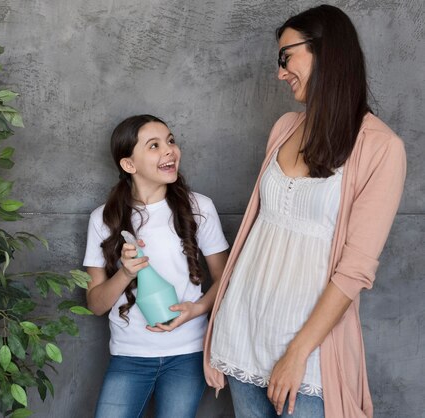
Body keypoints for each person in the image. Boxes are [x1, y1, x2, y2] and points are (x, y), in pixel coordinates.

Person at [203, 5, 406, 418]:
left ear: (325, 52)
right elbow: (261, 228)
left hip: (308, 352)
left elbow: (355, 271)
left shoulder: (381, 148)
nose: (280, 72)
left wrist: (297, 353)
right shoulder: (285, 128)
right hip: (243, 330)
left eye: (286, 56)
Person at [84, 114, 229, 418]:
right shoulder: (103, 218)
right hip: (129, 356)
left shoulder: (199, 207)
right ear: (129, 165)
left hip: (186, 354)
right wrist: (126, 272)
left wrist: (197, 309)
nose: (169, 150)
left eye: (171, 141)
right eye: (154, 145)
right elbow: (96, 305)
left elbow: (226, 278)